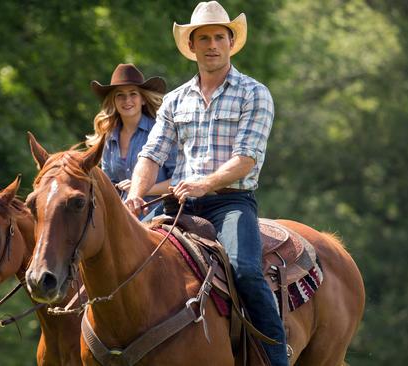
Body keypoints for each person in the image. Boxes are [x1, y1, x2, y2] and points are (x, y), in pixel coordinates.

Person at [124, 2, 287, 364]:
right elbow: (150, 155)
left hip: (230, 204)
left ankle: (276, 358)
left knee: (245, 270)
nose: (212, 44)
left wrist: (201, 183)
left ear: (231, 43)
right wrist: (136, 194)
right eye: (204, 38)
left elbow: (246, 159)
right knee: (127, 264)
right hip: (178, 206)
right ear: (192, 47)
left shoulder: (253, 93)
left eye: (218, 37)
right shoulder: (174, 101)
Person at [86, 63, 177, 219]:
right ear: (113, 101)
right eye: (120, 95)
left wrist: (140, 188)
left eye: (133, 94)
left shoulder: (161, 131)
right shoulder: (108, 138)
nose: (127, 100)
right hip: (123, 217)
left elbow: (178, 180)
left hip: (160, 214)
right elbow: (109, 185)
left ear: (142, 99)